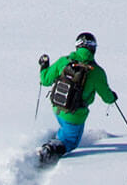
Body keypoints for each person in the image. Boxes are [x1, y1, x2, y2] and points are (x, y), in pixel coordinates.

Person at [35, 32, 118, 163]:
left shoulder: (64, 61)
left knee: (65, 128)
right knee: (71, 142)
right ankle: (48, 152)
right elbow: (107, 98)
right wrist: (113, 97)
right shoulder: (97, 72)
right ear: (93, 49)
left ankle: (57, 138)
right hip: (75, 116)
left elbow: (45, 80)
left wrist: (44, 66)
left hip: (57, 107)